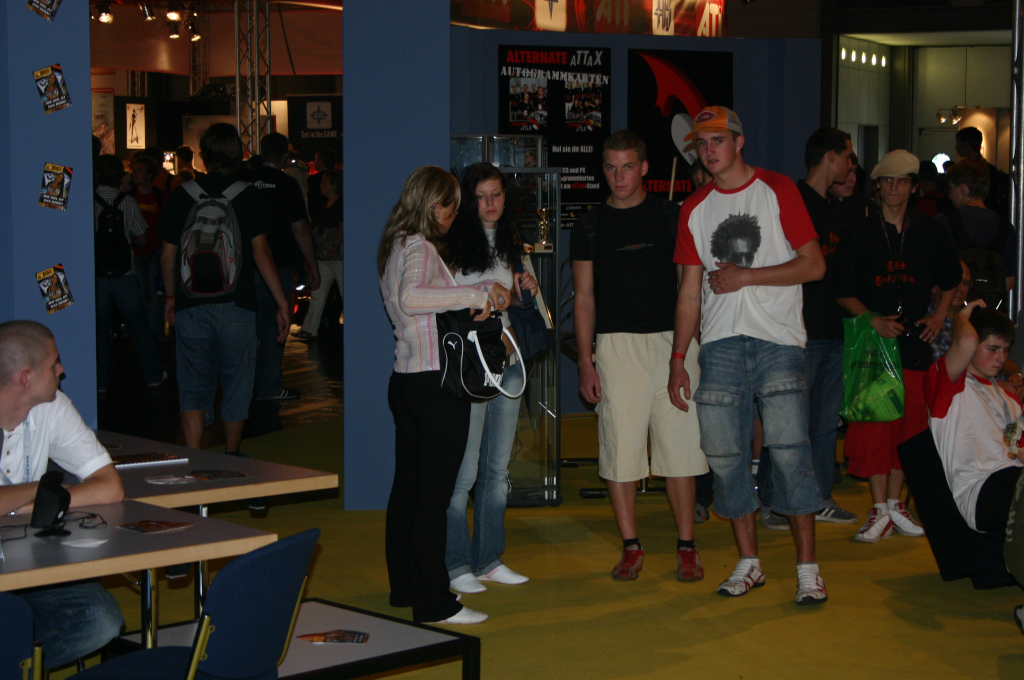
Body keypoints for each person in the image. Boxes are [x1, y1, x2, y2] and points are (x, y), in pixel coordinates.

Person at [668, 106, 829, 604]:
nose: (709, 150)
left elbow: (814, 265)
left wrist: (745, 277)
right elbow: (689, 291)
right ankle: (749, 562)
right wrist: (678, 357)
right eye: (702, 143)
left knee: (790, 452)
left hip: (778, 340)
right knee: (724, 455)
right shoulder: (694, 208)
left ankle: (808, 568)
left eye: (718, 140)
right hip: (719, 344)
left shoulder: (778, 189)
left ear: (739, 142)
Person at [573, 130, 709, 583]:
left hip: (674, 345)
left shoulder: (673, 216)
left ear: (645, 168)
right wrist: (586, 361)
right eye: (611, 168)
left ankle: (686, 546)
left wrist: (689, 350)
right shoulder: (589, 225)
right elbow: (584, 297)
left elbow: (691, 289)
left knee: (682, 451)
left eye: (628, 166)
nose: (619, 176)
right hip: (615, 348)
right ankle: (631, 546)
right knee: (620, 452)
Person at [379, 166, 512, 625]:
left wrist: (474, 291)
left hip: (407, 380)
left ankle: (406, 588)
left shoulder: (396, 245)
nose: (455, 216)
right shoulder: (418, 246)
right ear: (433, 206)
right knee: (431, 499)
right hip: (434, 383)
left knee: (409, 492)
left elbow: (417, 298)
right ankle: (434, 602)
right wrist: (473, 295)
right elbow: (413, 298)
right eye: (451, 207)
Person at [836, 150, 963, 543]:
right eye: (887, 181)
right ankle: (878, 509)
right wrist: (872, 319)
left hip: (915, 344)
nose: (894, 188)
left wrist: (939, 315)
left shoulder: (930, 230)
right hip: (874, 346)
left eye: (902, 181)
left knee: (908, 430)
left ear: (913, 187)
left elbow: (952, 277)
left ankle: (895, 505)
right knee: (875, 429)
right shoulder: (859, 232)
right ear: (878, 186)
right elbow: (841, 290)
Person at [158, 123, 291, 456]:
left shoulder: (182, 194)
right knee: (237, 381)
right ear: (237, 153)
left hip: (190, 304)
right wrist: (281, 302)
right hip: (237, 304)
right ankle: (232, 454)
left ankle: (193, 454)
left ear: (203, 154)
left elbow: (168, 254)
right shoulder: (249, 195)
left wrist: (171, 297)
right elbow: (262, 253)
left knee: (192, 383)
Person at [0, 320, 125, 669]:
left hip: (29, 564)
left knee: (101, 618)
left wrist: (26, 507)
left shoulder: (52, 406)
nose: (62, 369)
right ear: (26, 377)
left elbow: (110, 486)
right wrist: (39, 490)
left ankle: (14, 664)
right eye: (53, 362)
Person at [443, 163, 539, 595]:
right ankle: (456, 563)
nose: (490, 203)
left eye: (496, 194)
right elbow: (445, 301)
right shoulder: (451, 244)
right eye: (481, 196)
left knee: (497, 470)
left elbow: (511, 300)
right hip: (472, 364)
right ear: (468, 200)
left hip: (509, 359)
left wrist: (520, 290)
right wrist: (486, 291)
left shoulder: (509, 241)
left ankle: (488, 559)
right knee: (463, 473)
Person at [758, 128, 858, 530]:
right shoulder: (791, 200)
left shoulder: (836, 208)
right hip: (799, 333)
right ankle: (771, 499)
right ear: (830, 156)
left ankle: (818, 497)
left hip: (834, 330)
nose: (851, 166)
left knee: (824, 423)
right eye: (847, 157)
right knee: (787, 423)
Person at [924, 301, 1021, 533]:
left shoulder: (1010, 398)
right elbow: (966, 341)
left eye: (1006, 350)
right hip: (980, 491)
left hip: (1014, 479)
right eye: (993, 349)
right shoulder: (948, 386)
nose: (1001, 358)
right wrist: (961, 316)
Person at [243, 132, 320, 402]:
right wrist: (312, 265)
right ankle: (269, 386)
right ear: (285, 157)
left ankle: (242, 386)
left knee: (246, 326)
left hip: (245, 265)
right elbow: (300, 229)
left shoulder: (244, 181)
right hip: (281, 265)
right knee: (276, 324)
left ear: (262, 152)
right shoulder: (287, 184)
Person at [93, 155, 166, 393]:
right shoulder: (128, 202)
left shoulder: (87, 201)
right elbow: (143, 239)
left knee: (100, 330)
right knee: (139, 327)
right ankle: (154, 375)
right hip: (126, 273)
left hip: (97, 275)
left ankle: (100, 382)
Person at [937, 158, 1017, 295]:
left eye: (951, 189)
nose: (949, 195)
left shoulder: (943, 222)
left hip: (952, 303)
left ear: (963, 189)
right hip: (990, 306)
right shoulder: (1005, 227)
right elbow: (1009, 281)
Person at [293, 169, 344, 339]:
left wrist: (334, 246)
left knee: (342, 293)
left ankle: (310, 329)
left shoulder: (339, 205)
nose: (321, 185)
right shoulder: (326, 205)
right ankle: (309, 329)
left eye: (325, 182)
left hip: (337, 258)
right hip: (324, 258)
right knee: (317, 294)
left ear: (334, 186)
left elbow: (342, 228)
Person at [130, 154, 167, 337]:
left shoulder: (160, 196)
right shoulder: (129, 196)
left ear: (149, 175)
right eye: (134, 170)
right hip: (134, 252)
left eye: (139, 171)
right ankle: (145, 332)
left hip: (155, 251)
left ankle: (154, 331)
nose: (134, 174)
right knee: (141, 292)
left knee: (154, 292)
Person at [955, 127, 1010, 224]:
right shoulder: (991, 170)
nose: (956, 147)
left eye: (958, 143)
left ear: (966, 145)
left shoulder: (962, 172)